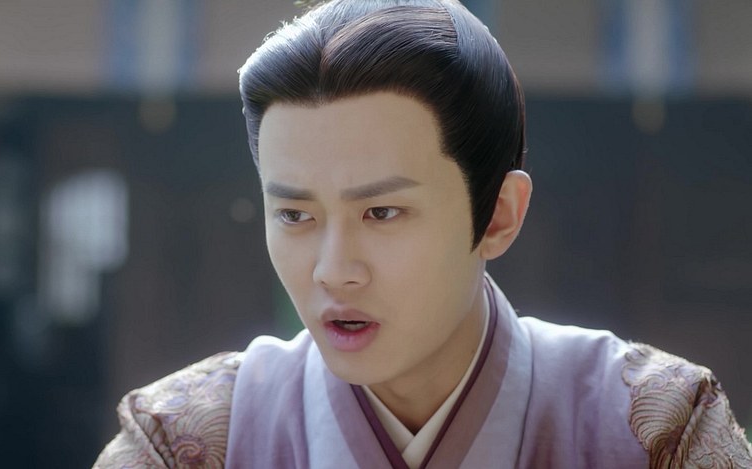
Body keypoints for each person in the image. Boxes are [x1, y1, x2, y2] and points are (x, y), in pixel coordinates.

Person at [94, 1, 752, 467]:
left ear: (498, 214)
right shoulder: (184, 443)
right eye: (295, 215)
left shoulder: (657, 429)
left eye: (381, 213)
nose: (333, 269)